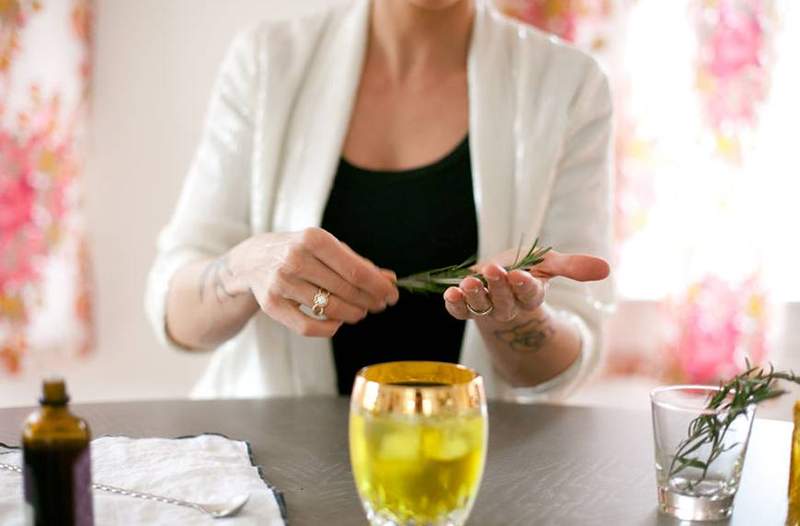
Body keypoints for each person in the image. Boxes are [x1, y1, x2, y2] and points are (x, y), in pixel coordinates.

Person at [145, 0, 614, 401]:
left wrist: (517, 315)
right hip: (270, 474)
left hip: (472, 472)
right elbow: (175, 313)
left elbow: (560, 370)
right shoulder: (268, 61)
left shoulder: (568, 84)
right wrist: (247, 267)